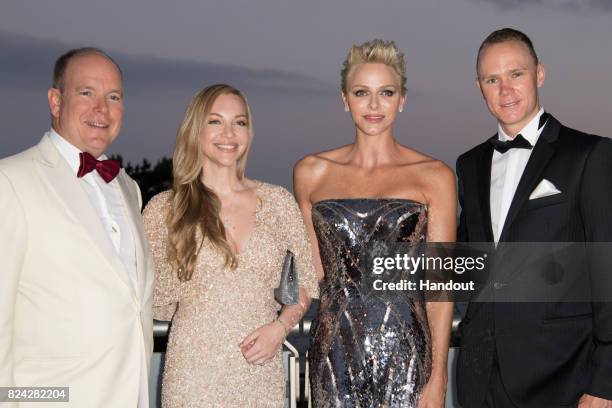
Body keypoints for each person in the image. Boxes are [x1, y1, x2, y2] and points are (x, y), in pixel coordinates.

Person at [455, 28, 612, 407]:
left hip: (564, 379)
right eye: (493, 79)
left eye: (516, 74)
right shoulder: (469, 164)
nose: (505, 90)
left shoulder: (589, 155)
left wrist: (606, 382)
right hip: (480, 379)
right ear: (480, 87)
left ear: (539, 74)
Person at [295, 40, 456, 407]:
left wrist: (438, 377)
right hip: (334, 352)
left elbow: (440, 288)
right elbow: (312, 275)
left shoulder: (434, 177)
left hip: (407, 354)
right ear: (344, 99)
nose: (373, 105)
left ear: (402, 99)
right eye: (361, 92)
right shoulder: (310, 173)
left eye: (386, 92)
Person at [143, 84, 319, 407]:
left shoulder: (278, 203)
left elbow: (304, 281)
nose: (229, 133)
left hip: (260, 371)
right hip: (192, 375)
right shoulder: (165, 210)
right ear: (195, 130)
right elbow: (153, 298)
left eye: (239, 122)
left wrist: (280, 327)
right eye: (215, 121)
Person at [0, 48, 154, 407]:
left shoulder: (129, 189)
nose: (102, 108)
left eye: (113, 97)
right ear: (55, 101)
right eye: (87, 93)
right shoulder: (10, 180)